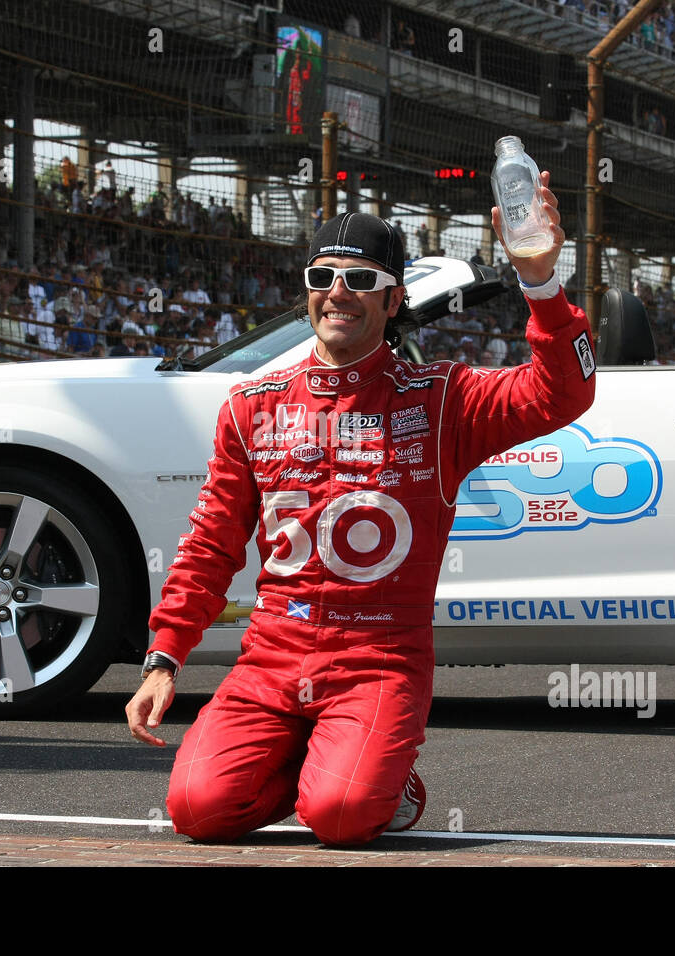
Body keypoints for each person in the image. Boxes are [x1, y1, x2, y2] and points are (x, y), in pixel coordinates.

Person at [125, 184, 596, 846]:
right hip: (270, 661)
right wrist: (164, 657)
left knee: (342, 818)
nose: (338, 291)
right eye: (323, 276)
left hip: (379, 660)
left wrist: (542, 285)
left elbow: (562, 393)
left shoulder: (442, 400)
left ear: (393, 299)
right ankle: (335, 761)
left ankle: (372, 775)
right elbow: (210, 545)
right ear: (307, 291)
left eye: (361, 279)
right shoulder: (249, 406)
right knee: (198, 811)